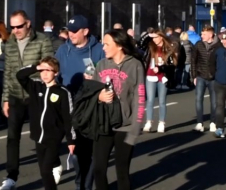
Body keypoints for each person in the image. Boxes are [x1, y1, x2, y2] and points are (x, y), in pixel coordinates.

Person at [0, 11, 54, 190]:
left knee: (40, 136)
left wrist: (36, 80)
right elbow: (7, 72)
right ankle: (11, 177)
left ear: (28, 24)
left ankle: (48, 171)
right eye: (12, 27)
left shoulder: (42, 40)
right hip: (15, 96)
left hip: (35, 96)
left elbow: (48, 66)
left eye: (19, 26)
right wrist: (5, 98)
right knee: (12, 137)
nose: (15, 30)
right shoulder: (10, 44)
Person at [55, 15, 104, 190]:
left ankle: (84, 186)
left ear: (86, 31)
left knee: (87, 153)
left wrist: (96, 78)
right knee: (74, 153)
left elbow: (108, 76)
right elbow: (56, 76)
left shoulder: (99, 50)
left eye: (75, 31)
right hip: (68, 107)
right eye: (69, 30)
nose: (71, 34)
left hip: (91, 108)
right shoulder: (62, 50)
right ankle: (80, 183)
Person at [92, 30, 145, 190]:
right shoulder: (101, 64)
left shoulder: (135, 65)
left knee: (122, 171)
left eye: (107, 44)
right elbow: (92, 93)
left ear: (120, 46)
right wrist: (99, 96)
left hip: (126, 126)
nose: (103, 47)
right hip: (103, 125)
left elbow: (140, 98)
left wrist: (135, 128)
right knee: (98, 169)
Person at [17, 57, 75, 190]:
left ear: (56, 72)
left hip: (54, 137)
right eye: (42, 70)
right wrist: (35, 67)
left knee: (45, 170)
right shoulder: (35, 86)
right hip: (38, 136)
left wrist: (71, 140)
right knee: (43, 171)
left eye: (48, 70)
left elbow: (68, 117)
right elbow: (19, 75)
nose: (44, 74)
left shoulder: (63, 92)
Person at [140, 30, 177, 133]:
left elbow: (172, 66)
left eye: (156, 37)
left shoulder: (168, 48)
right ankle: (149, 121)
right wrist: (148, 35)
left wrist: (161, 69)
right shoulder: (150, 47)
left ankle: (161, 122)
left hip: (163, 76)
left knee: (162, 101)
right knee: (150, 100)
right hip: (150, 76)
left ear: (161, 37)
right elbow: (140, 44)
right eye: (153, 38)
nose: (154, 40)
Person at [190, 26, 221, 132]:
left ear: (210, 34)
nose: (201, 36)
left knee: (214, 101)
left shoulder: (219, 45)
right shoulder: (199, 44)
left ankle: (213, 122)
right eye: (201, 34)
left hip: (214, 77)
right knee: (198, 99)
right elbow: (193, 61)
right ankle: (199, 123)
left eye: (203, 34)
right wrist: (193, 76)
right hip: (200, 75)